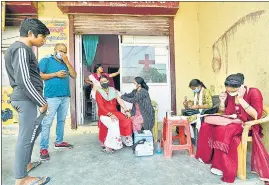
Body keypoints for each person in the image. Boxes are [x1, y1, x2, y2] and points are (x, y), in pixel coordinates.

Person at [195, 73, 269, 183]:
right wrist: (221, 102)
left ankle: (220, 166)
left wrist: (241, 99)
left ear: (241, 86)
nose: (229, 92)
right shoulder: (229, 94)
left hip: (247, 124)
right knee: (206, 125)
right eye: (228, 90)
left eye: (232, 91)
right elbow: (223, 111)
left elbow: (256, 115)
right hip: (232, 120)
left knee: (222, 129)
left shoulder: (254, 92)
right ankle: (206, 156)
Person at [4, 18, 51, 185]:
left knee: (32, 132)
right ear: (31, 33)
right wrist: (41, 101)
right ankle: (21, 178)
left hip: (27, 99)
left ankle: (26, 164)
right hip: (26, 99)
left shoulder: (22, 49)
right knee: (26, 137)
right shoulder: (21, 49)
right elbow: (24, 80)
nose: (44, 41)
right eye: (42, 37)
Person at [38, 43, 77, 161]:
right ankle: (43, 148)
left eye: (65, 51)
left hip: (65, 96)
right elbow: (39, 75)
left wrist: (67, 61)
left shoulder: (65, 62)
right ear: (54, 50)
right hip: (51, 97)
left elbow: (74, 75)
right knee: (47, 123)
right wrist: (55, 74)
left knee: (61, 120)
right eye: (60, 51)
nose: (62, 53)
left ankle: (59, 142)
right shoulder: (46, 60)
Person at [96, 75, 133, 153]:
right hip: (104, 113)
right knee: (114, 123)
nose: (103, 83)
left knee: (127, 120)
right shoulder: (98, 92)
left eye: (105, 81)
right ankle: (109, 144)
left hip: (115, 112)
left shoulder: (113, 90)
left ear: (108, 82)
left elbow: (119, 101)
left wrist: (126, 111)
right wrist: (109, 114)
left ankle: (125, 140)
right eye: (101, 82)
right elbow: (101, 106)